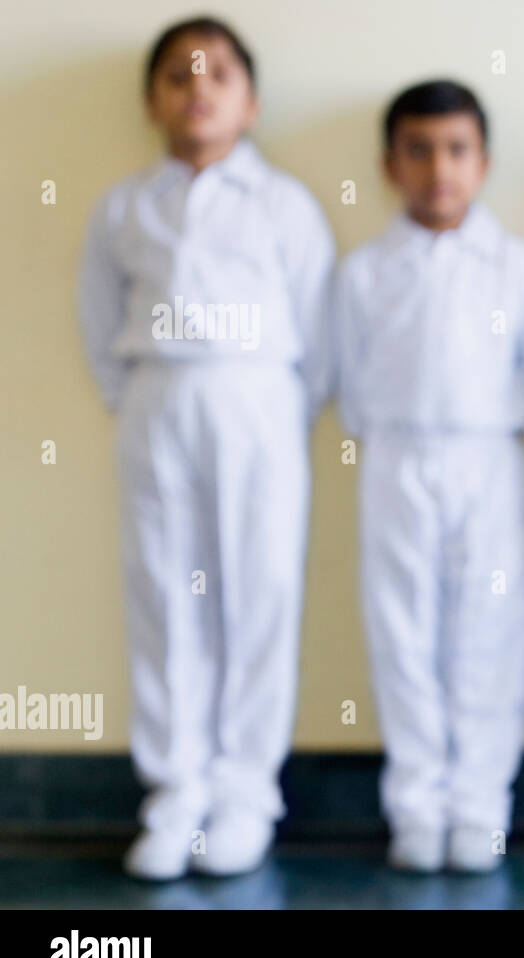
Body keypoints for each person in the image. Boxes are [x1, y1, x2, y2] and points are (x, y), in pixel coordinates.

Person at [78, 16, 335, 879]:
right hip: (159, 397)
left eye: (217, 74)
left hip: (258, 399)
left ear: (250, 100)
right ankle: (174, 794)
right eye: (179, 77)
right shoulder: (125, 207)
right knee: (163, 594)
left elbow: (318, 328)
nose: (198, 91)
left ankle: (244, 794)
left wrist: (275, 405)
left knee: (257, 593)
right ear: (153, 99)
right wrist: (142, 398)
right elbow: (97, 316)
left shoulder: (284, 205)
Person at [332, 80, 524, 872]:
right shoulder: (365, 271)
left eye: (456, 150)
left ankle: (478, 806)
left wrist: (485, 425)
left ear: (484, 161)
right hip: (396, 456)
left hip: (489, 456)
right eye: (419, 150)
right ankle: (418, 808)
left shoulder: (517, 266)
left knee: (489, 632)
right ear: (389, 163)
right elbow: (351, 380)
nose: (439, 169)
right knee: (404, 632)